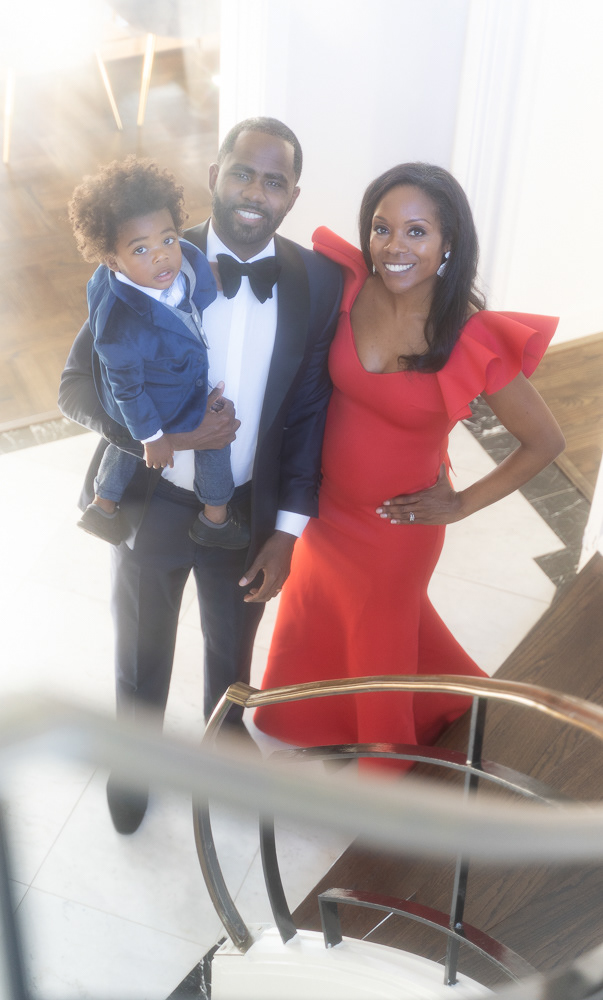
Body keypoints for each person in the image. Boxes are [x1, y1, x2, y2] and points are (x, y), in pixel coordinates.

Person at [58, 118, 343, 831]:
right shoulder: (149, 254)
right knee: (141, 646)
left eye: (274, 181)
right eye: (242, 172)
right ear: (215, 176)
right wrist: (163, 440)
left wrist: (287, 531)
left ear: (292, 195)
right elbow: (75, 388)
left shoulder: (317, 281)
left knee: (231, 648)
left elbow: (310, 411)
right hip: (154, 495)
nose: (255, 192)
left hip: (245, 507)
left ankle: (223, 750)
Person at [254, 162, 565, 771]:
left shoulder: (469, 334)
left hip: (397, 529)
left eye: (417, 232)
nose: (394, 246)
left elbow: (544, 441)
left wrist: (461, 503)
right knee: (326, 610)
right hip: (325, 507)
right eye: (382, 228)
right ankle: (332, 720)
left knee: (378, 641)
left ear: (449, 243)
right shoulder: (348, 286)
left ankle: (385, 764)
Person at [67, 155, 249, 550]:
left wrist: (215, 280)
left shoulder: (182, 259)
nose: (161, 255)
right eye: (140, 249)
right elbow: (128, 390)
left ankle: (103, 504)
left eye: (167, 239)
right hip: (147, 394)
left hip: (163, 375)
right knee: (214, 433)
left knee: (132, 444)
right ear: (112, 261)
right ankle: (216, 518)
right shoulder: (119, 326)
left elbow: (195, 268)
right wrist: (153, 436)